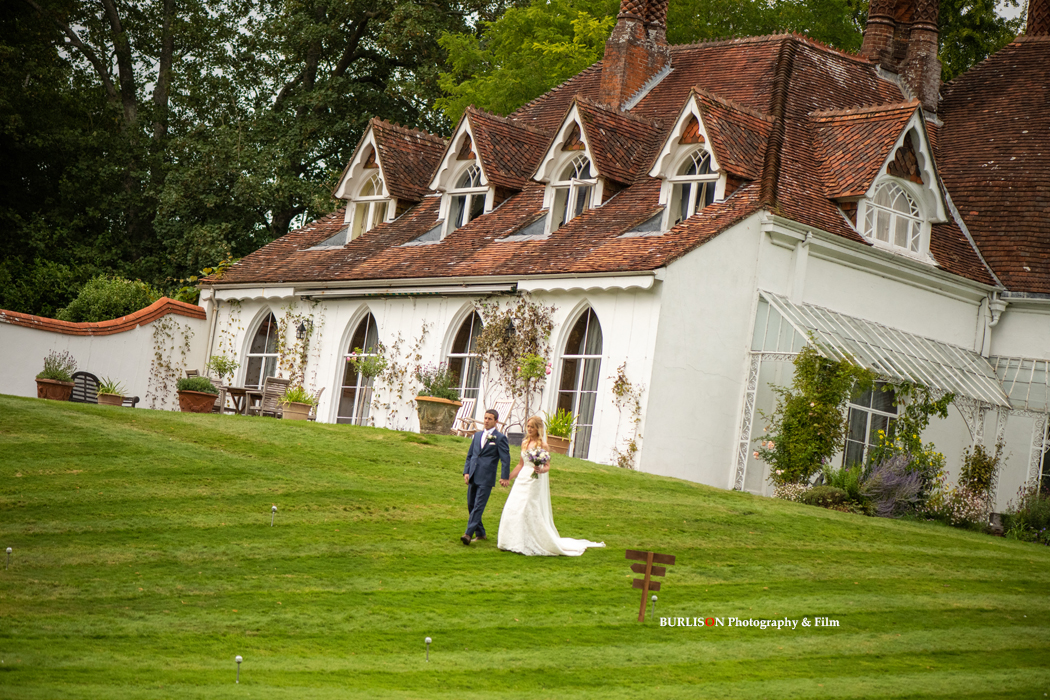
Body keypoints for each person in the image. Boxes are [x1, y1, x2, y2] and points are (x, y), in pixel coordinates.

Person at [497, 415, 605, 556]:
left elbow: (547, 466)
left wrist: (540, 469)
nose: (529, 429)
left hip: (534, 480)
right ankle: (510, 542)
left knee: (525, 508)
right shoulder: (524, 443)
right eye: (528, 426)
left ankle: (527, 542)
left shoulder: (543, 446)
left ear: (538, 428)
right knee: (512, 507)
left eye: (532, 427)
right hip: (522, 479)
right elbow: (520, 464)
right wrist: (508, 478)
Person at [461, 408, 510, 546]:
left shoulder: (500, 438)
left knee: (478, 506)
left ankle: (468, 534)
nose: (486, 421)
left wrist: (504, 477)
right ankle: (481, 534)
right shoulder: (477, 435)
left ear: (496, 421)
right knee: (471, 505)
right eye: (485, 418)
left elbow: (505, 459)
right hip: (473, 474)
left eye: (490, 419)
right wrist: (466, 472)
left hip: (487, 477)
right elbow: (470, 455)